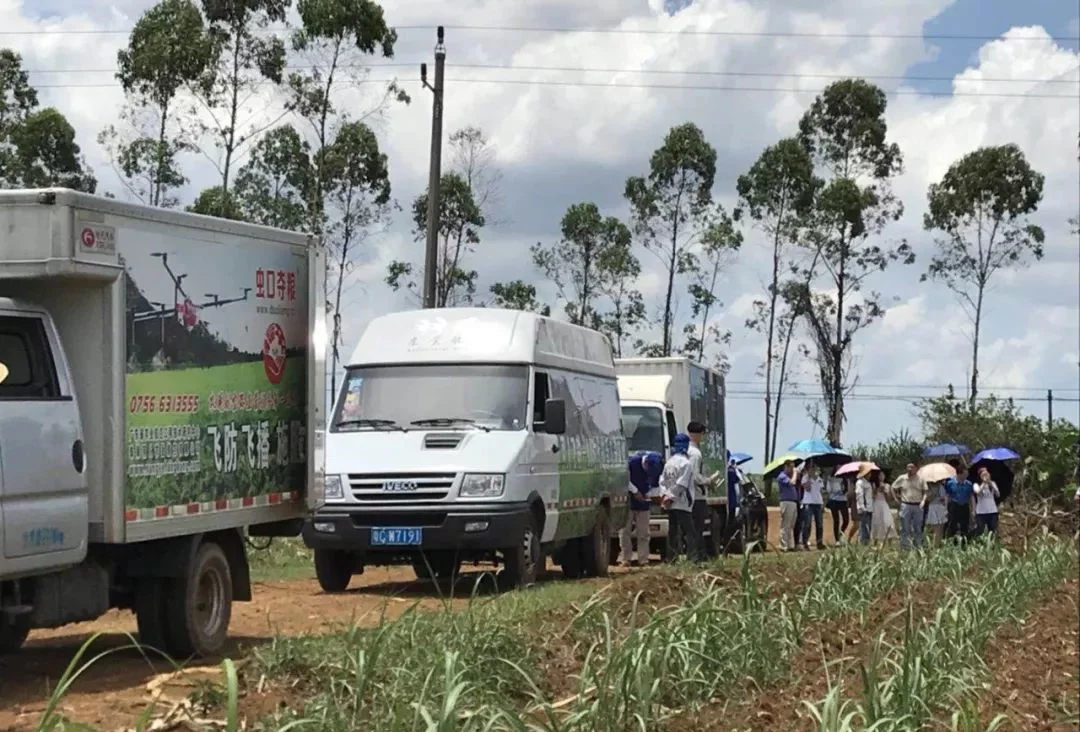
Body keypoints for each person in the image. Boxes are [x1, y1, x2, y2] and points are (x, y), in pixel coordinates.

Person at [661, 433, 700, 563]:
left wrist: (665, 496)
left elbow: (662, 481)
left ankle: (671, 558)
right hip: (683, 503)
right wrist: (671, 497)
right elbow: (682, 484)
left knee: (673, 531)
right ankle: (692, 558)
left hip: (670, 504)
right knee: (690, 532)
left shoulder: (669, 462)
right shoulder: (686, 464)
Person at [622, 451, 663, 566]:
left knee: (644, 533)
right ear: (645, 463)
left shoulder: (657, 468)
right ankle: (626, 558)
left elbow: (655, 486)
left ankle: (643, 559)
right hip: (628, 502)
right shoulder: (632, 462)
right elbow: (625, 479)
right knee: (625, 532)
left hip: (644, 505)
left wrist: (650, 495)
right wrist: (635, 492)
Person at [686, 422, 712, 555]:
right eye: (701, 433)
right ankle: (695, 555)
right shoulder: (695, 454)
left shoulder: (686, 450)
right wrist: (708, 481)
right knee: (697, 528)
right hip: (697, 495)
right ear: (695, 434)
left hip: (688, 496)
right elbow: (695, 476)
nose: (702, 436)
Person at [892, 463, 929, 550]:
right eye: (908, 467)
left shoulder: (921, 479)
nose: (909, 469)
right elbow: (893, 487)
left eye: (912, 467)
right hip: (906, 505)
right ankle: (905, 547)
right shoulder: (902, 478)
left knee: (918, 527)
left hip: (918, 505)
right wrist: (896, 499)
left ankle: (918, 546)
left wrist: (923, 501)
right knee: (905, 527)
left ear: (916, 468)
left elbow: (926, 492)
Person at [944, 466, 976, 544]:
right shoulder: (950, 483)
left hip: (964, 506)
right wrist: (945, 508)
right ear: (959, 474)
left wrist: (973, 509)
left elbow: (972, 497)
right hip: (954, 506)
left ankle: (964, 543)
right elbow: (947, 496)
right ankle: (952, 542)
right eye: (965, 474)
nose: (966, 476)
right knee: (952, 524)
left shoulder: (969, 484)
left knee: (965, 525)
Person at [799, 462, 826, 550]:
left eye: (814, 468)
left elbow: (821, 492)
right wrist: (809, 479)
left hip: (818, 502)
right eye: (811, 468)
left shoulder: (819, 479)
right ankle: (805, 542)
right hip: (808, 502)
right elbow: (807, 488)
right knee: (807, 523)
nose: (813, 470)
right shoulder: (805, 478)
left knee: (819, 524)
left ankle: (819, 542)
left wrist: (823, 504)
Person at [777, 460, 799, 552]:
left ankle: (790, 545)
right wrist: (795, 473)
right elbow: (792, 483)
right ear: (786, 466)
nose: (792, 469)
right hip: (786, 502)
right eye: (791, 467)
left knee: (791, 525)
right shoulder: (782, 476)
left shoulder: (788, 476)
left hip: (793, 502)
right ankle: (783, 545)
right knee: (785, 524)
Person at [973, 466, 1001, 539]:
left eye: (987, 474)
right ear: (980, 477)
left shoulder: (992, 483)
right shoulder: (976, 484)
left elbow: (998, 494)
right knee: (980, 530)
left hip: (992, 511)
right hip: (981, 512)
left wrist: (990, 484)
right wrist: (984, 483)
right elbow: (978, 492)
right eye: (983, 475)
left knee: (993, 530)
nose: (986, 476)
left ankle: (992, 545)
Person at [870, 470, 897, 544]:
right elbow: (872, 496)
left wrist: (885, 492)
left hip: (884, 504)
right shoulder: (873, 484)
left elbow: (889, 499)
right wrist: (877, 489)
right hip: (876, 504)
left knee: (887, 521)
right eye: (880, 475)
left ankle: (889, 541)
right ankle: (875, 541)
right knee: (876, 521)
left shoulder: (887, 485)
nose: (881, 477)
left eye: (883, 475)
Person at [826, 473, 850, 546]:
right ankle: (837, 540)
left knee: (846, 519)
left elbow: (847, 490)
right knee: (836, 520)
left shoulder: (846, 479)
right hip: (834, 500)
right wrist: (837, 489)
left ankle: (841, 533)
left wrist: (844, 489)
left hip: (843, 500)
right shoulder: (831, 478)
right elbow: (829, 490)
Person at [925, 481, 949, 546]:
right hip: (932, 507)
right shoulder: (928, 488)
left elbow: (944, 498)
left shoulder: (941, 487)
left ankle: (937, 545)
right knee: (932, 529)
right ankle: (932, 545)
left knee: (940, 529)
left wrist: (946, 508)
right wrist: (933, 493)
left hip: (940, 507)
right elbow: (928, 499)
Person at [855, 469, 874, 546]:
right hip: (864, 508)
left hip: (869, 507)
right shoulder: (860, 482)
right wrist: (862, 507)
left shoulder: (867, 483)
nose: (870, 474)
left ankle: (866, 542)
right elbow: (859, 495)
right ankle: (863, 543)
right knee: (864, 527)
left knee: (868, 526)